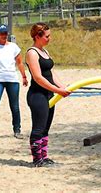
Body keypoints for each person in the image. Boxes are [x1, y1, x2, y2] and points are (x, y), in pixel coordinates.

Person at [25, 22, 71, 167]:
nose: (49, 38)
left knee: (46, 128)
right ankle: (37, 159)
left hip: (49, 94)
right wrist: (58, 91)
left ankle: (44, 157)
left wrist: (62, 86)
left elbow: (51, 73)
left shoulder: (45, 52)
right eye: (47, 36)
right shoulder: (32, 53)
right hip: (37, 95)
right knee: (38, 128)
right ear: (38, 36)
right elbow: (38, 78)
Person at [0, 24, 28, 139]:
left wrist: (24, 76)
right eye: (1, 33)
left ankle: (17, 130)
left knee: (15, 106)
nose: (4, 35)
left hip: (12, 79)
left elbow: (19, 63)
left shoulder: (14, 47)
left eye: (5, 33)